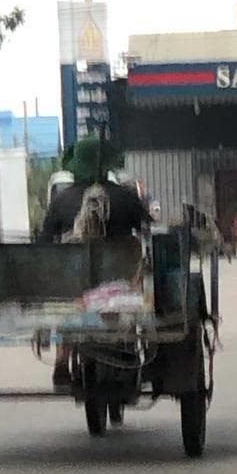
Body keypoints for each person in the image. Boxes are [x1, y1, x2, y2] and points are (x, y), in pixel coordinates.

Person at [40, 137, 150, 388]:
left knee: (66, 304)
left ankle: (61, 360)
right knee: (131, 294)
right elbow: (147, 230)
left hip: (73, 284)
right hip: (120, 282)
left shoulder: (61, 200)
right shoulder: (125, 197)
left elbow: (44, 241)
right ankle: (128, 347)